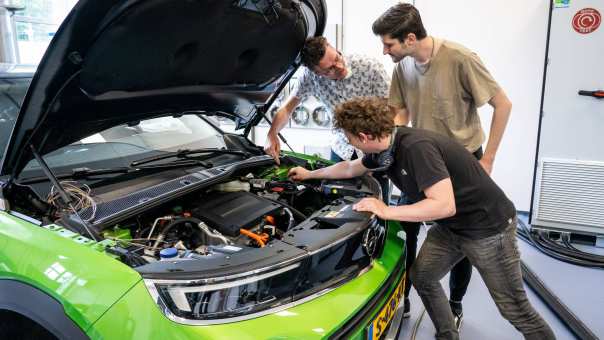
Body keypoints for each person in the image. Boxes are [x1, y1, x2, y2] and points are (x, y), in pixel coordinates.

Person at [288, 97, 554, 340]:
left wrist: (386, 209)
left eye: (350, 139)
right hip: (453, 228)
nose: (351, 145)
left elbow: (444, 205)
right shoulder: (383, 148)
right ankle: (447, 336)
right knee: (423, 276)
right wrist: (310, 175)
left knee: (514, 309)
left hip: (488, 229)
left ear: (364, 136)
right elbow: (349, 167)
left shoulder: (416, 148)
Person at [371, 3, 513, 326]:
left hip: (462, 165)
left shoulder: (460, 58)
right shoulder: (402, 66)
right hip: (419, 161)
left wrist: (488, 158)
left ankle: (455, 303)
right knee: (404, 230)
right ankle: (403, 296)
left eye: (388, 44)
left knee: (462, 239)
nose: (384, 51)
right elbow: (401, 112)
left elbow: (502, 104)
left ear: (409, 38)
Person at [263, 36, 398, 164]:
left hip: (376, 145)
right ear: (317, 73)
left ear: (333, 47)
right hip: (342, 149)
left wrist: (379, 144)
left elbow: (392, 107)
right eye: (329, 69)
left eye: (337, 57)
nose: (339, 66)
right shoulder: (310, 77)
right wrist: (272, 133)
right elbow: (287, 109)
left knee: (376, 188)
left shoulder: (369, 67)